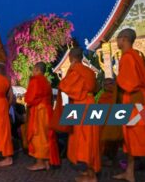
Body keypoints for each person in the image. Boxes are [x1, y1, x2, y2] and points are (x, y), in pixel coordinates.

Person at [59, 48, 100, 182]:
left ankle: (92, 175)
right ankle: (90, 172)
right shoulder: (89, 71)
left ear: (71, 57)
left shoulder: (75, 70)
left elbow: (64, 86)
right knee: (91, 139)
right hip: (90, 103)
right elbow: (96, 87)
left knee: (85, 140)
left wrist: (70, 70)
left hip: (82, 106)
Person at [113, 28, 145, 182]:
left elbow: (129, 84)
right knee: (132, 138)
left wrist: (118, 81)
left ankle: (130, 173)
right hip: (138, 100)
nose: (117, 42)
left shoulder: (128, 57)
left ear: (124, 39)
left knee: (135, 137)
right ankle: (129, 172)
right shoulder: (136, 56)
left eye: (118, 38)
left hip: (133, 101)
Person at [25, 62, 60, 171]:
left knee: (38, 137)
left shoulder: (35, 80)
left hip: (39, 112)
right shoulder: (47, 82)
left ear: (36, 69)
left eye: (33, 69)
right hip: (48, 111)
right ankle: (46, 161)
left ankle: (40, 162)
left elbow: (30, 98)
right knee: (46, 136)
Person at [98, 78, 122, 167]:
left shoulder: (118, 96)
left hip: (115, 123)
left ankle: (113, 157)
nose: (110, 85)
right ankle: (105, 158)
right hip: (105, 124)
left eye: (111, 83)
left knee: (115, 142)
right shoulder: (103, 96)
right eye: (107, 84)